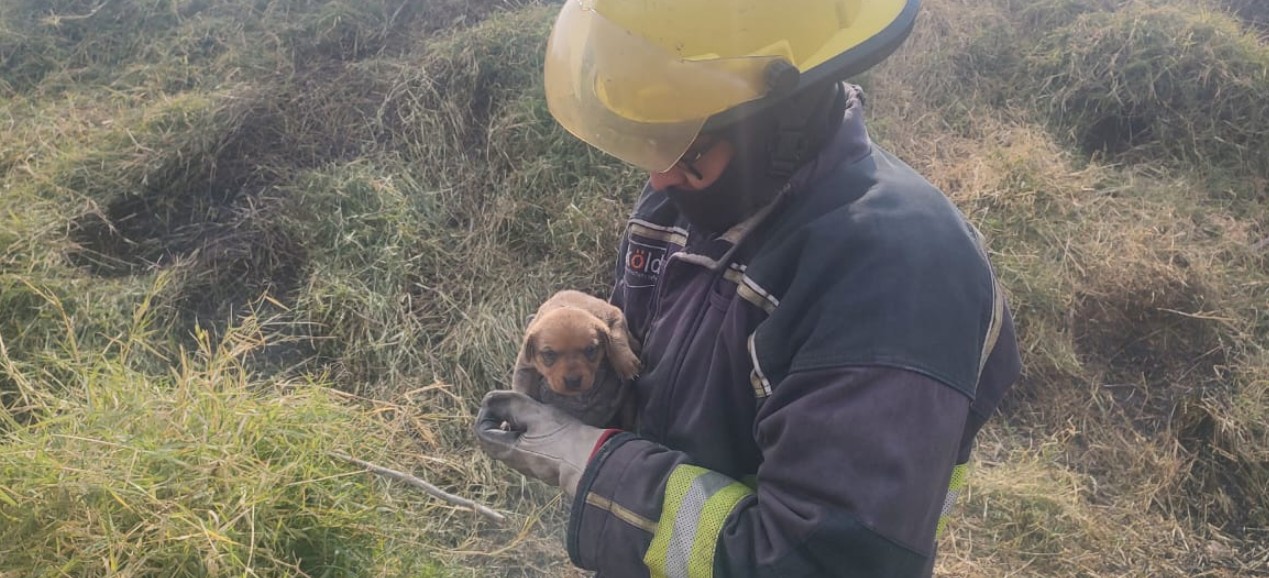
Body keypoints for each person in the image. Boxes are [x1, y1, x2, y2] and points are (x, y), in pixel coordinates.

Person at [474, 0, 1022, 576]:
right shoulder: (685, 192)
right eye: (652, 138)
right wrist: (590, 355)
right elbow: (661, 381)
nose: (658, 175)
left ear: (785, 117)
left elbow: (816, 559)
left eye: (685, 146)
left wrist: (591, 464)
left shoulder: (900, 274)